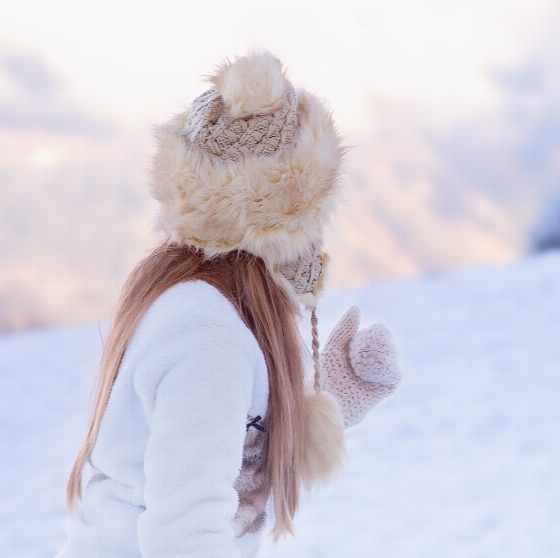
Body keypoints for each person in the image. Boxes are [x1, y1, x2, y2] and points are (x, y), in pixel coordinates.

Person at [56, 50, 402, 558]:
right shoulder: (208, 337)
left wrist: (319, 405)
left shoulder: (208, 312)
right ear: (282, 223)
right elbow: (184, 535)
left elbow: (222, 454)